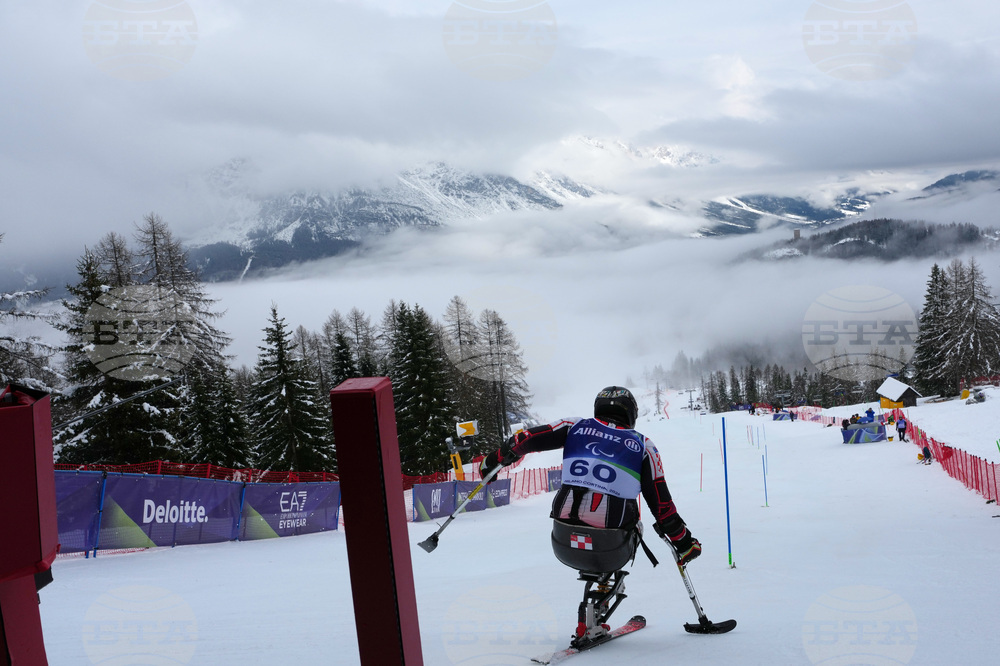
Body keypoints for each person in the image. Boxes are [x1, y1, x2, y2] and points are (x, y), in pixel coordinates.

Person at [479, 386, 700, 641]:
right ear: (630, 414)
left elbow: (525, 439)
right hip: (612, 546)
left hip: (562, 540)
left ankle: (598, 599)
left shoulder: (574, 426)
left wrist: (495, 460)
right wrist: (683, 541)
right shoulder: (643, 445)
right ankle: (604, 593)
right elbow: (662, 505)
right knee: (631, 522)